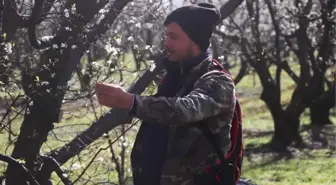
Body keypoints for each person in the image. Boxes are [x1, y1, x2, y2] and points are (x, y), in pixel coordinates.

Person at [95, 2, 243, 185]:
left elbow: (185, 110)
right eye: (166, 35)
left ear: (194, 40)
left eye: (173, 37)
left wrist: (131, 102)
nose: (166, 43)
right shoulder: (174, 78)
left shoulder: (217, 81)